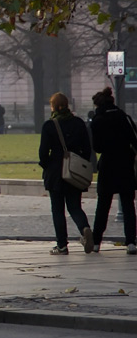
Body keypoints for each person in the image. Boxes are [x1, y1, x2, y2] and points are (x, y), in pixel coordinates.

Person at [39, 92, 94, 255]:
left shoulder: (49, 125)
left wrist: (47, 165)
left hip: (56, 172)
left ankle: (62, 245)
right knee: (74, 206)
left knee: (57, 209)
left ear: (53, 106)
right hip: (74, 170)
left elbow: (43, 152)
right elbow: (87, 148)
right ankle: (84, 228)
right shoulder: (78, 123)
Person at [88, 87, 137, 254]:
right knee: (128, 204)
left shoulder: (98, 120)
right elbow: (135, 139)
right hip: (125, 163)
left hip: (108, 164)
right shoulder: (124, 116)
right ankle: (131, 241)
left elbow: (98, 147)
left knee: (103, 205)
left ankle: (96, 242)